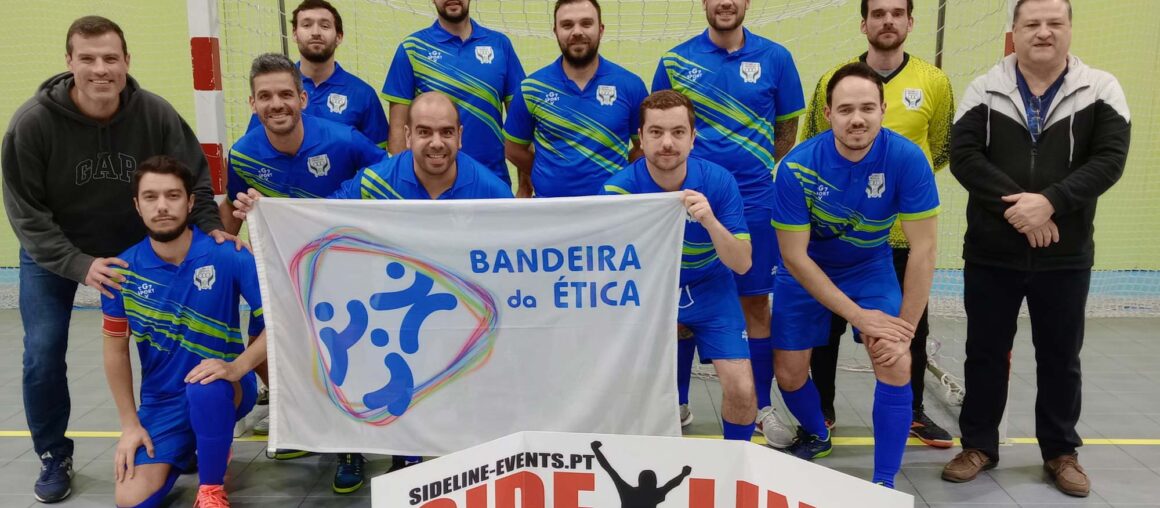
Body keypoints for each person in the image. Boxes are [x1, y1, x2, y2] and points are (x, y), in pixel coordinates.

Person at [1, 16, 236, 503]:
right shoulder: (33, 124)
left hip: (136, 249)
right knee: (43, 351)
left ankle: (184, 432)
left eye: (111, 58)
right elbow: (26, 214)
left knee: (174, 339)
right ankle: (53, 453)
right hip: (55, 252)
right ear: (69, 63)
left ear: (127, 61)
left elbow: (194, 178)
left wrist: (211, 228)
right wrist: (78, 264)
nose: (100, 69)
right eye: (87, 58)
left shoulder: (154, 113)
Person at [232, 91, 511, 494]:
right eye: (425, 132)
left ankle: (422, 450)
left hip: (451, 308)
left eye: (446, 132)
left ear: (460, 136)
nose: (436, 143)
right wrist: (271, 212)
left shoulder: (490, 190)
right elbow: (320, 220)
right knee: (352, 347)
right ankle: (353, 447)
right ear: (407, 134)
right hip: (383, 302)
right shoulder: (378, 180)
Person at [942, 0, 1130, 497]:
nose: (1043, 32)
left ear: (1069, 28)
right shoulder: (985, 88)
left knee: (1061, 357)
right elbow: (964, 157)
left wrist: (1049, 203)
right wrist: (1023, 210)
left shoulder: (1101, 89)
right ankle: (978, 445)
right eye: (1032, 23)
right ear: (1016, 30)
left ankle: (1060, 452)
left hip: (1065, 256)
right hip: (991, 254)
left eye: (1054, 23)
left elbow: (1109, 159)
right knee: (985, 353)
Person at [770, 63, 939, 489]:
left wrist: (905, 331)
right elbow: (794, 257)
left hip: (869, 267)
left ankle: (883, 482)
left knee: (895, 358)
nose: (857, 118)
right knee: (788, 374)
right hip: (807, 270)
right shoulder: (796, 167)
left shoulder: (907, 159)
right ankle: (818, 433)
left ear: (883, 109)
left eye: (867, 108)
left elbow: (924, 250)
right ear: (828, 114)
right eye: (845, 109)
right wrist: (860, 318)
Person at [800, 0, 955, 448]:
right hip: (840, 232)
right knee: (826, 326)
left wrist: (895, 188)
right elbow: (812, 143)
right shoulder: (833, 79)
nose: (888, 20)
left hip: (901, 233)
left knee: (910, 326)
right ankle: (823, 411)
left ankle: (912, 411)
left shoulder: (934, 80)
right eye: (878, 13)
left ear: (911, 21)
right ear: (863, 23)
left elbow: (941, 147)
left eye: (896, 12)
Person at [651, 0, 804, 447]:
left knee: (755, 305)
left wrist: (750, 176)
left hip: (755, 202)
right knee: (681, 301)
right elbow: (661, 124)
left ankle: (760, 407)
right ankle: (677, 403)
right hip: (689, 201)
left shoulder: (776, 57)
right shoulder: (675, 61)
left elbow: (787, 129)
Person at [102, 155, 266, 508]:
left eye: (173, 195)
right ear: (137, 205)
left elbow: (278, 325)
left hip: (226, 386)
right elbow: (115, 350)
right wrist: (130, 425)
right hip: (162, 401)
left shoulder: (229, 254)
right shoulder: (120, 272)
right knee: (130, 499)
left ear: (190, 202)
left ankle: (210, 490)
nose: (162, 206)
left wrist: (236, 367)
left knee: (205, 388)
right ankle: (199, 444)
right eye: (151, 197)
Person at [601, 90, 758, 445]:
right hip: (649, 293)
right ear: (641, 138)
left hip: (710, 288)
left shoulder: (718, 182)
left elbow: (742, 263)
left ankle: (735, 461)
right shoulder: (617, 192)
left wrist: (711, 222)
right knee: (626, 387)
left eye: (678, 132)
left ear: (693, 137)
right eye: (656, 133)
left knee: (741, 388)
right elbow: (607, 267)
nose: (667, 143)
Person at [222, 53, 386, 235]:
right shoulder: (241, 156)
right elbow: (232, 207)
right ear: (253, 104)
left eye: (286, 94)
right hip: (282, 249)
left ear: (303, 99)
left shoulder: (346, 140)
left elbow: (392, 176)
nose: (276, 104)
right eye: (265, 96)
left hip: (342, 242)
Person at [504, 0, 648, 198]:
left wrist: (621, 173)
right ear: (555, 31)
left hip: (612, 208)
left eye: (586, 24)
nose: (577, 32)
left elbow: (645, 146)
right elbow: (512, 149)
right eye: (567, 25)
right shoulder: (532, 88)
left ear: (601, 30)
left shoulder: (631, 86)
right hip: (549, 208)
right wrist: (546, 171)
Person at [382, 0, 525, 185]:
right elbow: (398, 134)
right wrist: (408, 188)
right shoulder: (412, 49)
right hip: (432, 188)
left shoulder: (500, 45)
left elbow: (521, 128)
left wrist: (525, 185)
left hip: (492, 181)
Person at [245, 0, 389, 146]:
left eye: (325, 26)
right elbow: (254, 147)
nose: (315, 33)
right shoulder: (273, 91)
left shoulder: (363, 94)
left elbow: (378, 158)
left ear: (339, 36)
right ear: (294, 34)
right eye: (307, 25)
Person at [591, 440, 692, 508]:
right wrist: (683, 474)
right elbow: (672, 484)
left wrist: (596, 450)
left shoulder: (627, 492)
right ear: (654, 483)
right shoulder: (655, 495)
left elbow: (609, 470)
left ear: (640, 481)